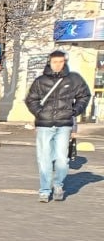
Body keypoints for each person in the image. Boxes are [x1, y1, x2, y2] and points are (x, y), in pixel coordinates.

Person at [24, 50, 89, 202]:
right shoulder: (40, 81)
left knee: (61, 159)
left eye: (61, 62)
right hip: (44, 124)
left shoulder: (73, 79)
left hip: (64, 124)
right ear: (49, 62)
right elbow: (31, 99)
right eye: (55, 62)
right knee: (44, 158)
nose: (58, 65)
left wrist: (74, 111)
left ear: (64, 62)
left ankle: (58, 184)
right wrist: (40, 112)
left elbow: (84, 95)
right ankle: (45, 191)